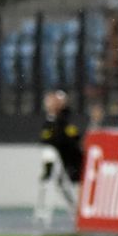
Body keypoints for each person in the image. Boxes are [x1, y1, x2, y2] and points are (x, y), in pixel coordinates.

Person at [37, 90, 82, 226]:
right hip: (60, 159)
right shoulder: (51, 120)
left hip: (71, 159)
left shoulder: (67, 119)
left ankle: (77, 212)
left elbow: (73, 137)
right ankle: (44, 212)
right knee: (57, 184)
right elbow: (45, 139)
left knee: (69, 186)